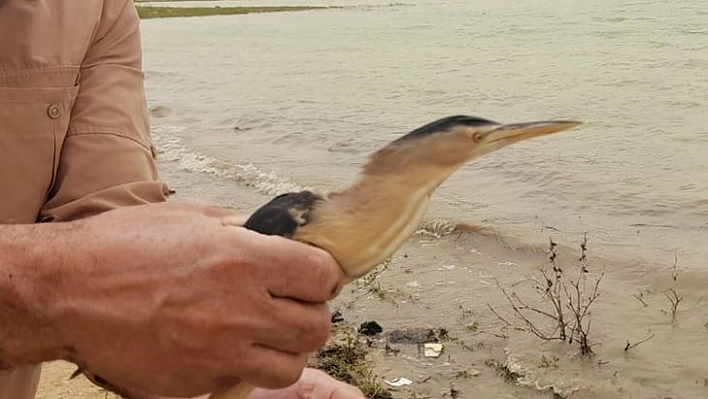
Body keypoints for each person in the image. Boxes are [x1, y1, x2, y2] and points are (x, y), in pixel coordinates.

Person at [0, 1, 364, 398]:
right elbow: (87, 282)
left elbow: (112, 234)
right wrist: (54, 287)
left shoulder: (99, 10)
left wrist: (221, 376)